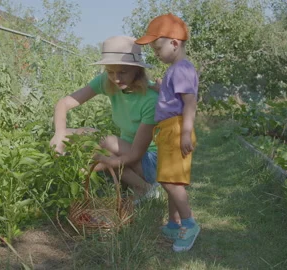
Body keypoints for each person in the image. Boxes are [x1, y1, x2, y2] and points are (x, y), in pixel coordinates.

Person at [49, 36, 159, 200]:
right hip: (128, 153)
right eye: (110, 71)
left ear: (137, 69)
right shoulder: (107, 82)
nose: (116, 78)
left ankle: (145, 188)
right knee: (68, 135)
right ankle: (143, 188)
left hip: (152, 162)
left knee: (94, 137)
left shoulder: (150, 98)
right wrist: (59, 135)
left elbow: (136, 153)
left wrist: (101, 164)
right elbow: (63, 104)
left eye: (122, 72)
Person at [135, 13, 200, 252]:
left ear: (174, 43)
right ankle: (173, 223)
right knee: (168, 179)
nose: (156, 54)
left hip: (176, 128)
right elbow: (175, 97)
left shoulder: (181, 69)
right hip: (168, 129)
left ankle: (189, 223)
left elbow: (190, 102)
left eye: (157, 48)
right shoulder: (176, 69)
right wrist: (161, 88)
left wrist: (186, 132)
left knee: (172, 182)